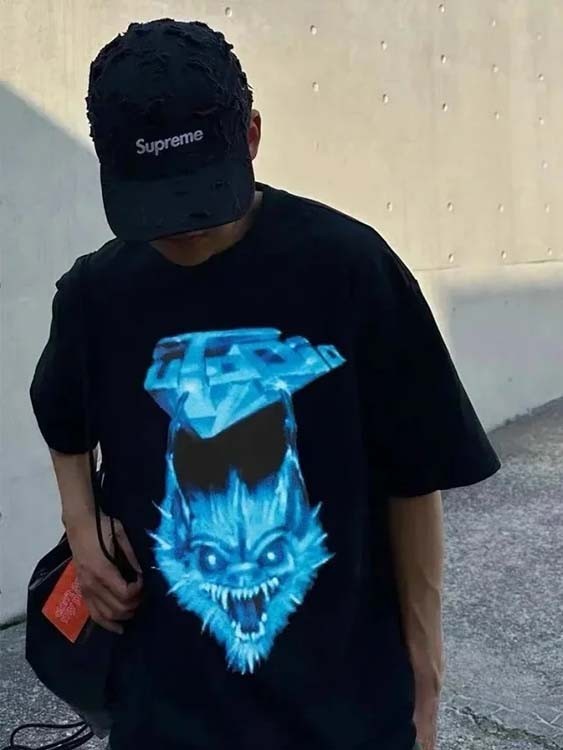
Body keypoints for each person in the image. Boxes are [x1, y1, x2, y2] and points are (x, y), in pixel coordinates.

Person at [30, 18, 500, 750]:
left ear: (250, 136)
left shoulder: (349, 269)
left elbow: (414, 479)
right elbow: (62, 414)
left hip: (342, 710)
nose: (182, 229)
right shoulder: (98, 293)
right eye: (155, 202)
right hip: (164, 710)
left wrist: (425, 671)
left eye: (199, 195)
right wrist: (81, 530)